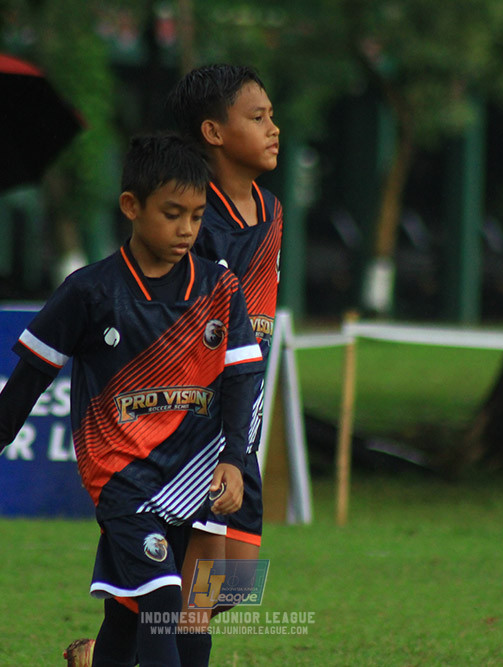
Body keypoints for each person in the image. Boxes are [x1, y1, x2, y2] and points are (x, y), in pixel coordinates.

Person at [0, 133, 263, 667]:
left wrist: (234, 456)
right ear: (131, 207)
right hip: (123, 479)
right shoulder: (89, 292)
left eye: (197, 215)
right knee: (165, 602)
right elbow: (28, 380)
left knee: (160, 615)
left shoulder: (221, 288)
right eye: (172, 213)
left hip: (197, 476)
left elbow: (242, 380)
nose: (187, 228)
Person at [166, 64, 283, 665]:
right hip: (194, 415)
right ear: (213, 131)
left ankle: (114, 651)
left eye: (271, 117)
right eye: (257, 118)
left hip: (243, 411)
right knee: (198, 588)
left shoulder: (271, 208)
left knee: (223, 585)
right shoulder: (189, 216)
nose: (274, 129)